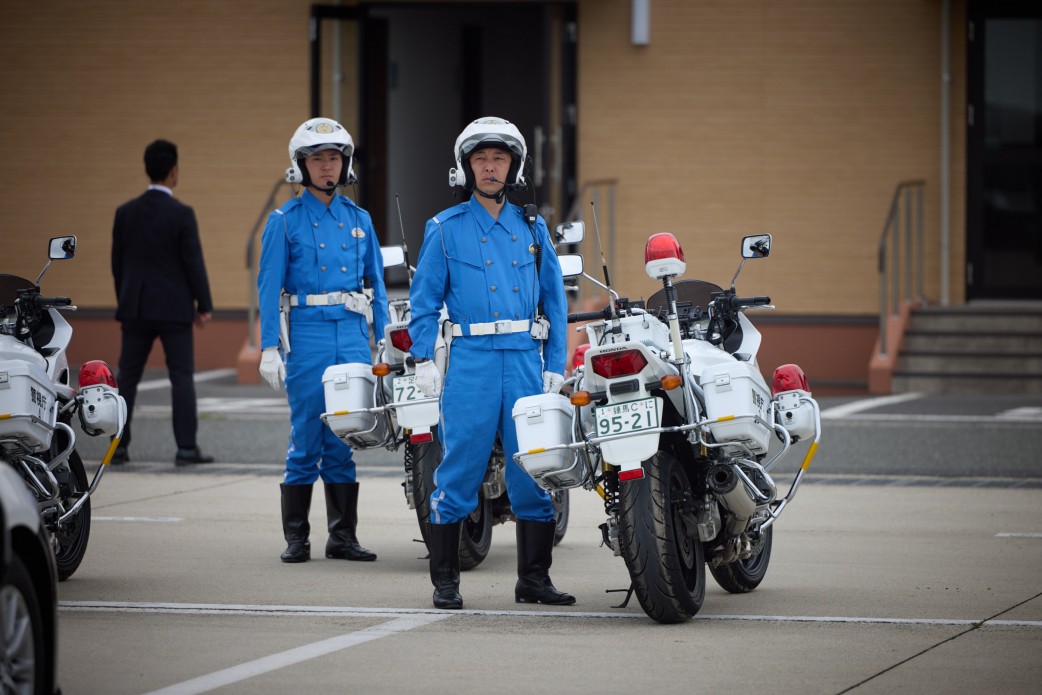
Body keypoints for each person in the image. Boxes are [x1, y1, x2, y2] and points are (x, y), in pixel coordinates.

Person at [408, 117, 572, 609]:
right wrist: (422, 357)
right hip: (471, 363)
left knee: (532, 469)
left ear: (513, 167)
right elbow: (423, 302)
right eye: (480, 159)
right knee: (459, 469)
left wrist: (555, 364)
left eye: (499, 158)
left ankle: (534, 580)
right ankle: (446, 582)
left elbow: (554, 303)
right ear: (466, 167)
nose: (489, 167)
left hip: (523, 361)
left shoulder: (533, 228)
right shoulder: (444, 228)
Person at [257, 117, 389, 564]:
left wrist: (385, 339)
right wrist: (269, 347)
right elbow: (268, 286)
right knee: (307, 437)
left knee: (344, 437)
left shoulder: (359, 219)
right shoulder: (284, 221)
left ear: (345, 164)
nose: (327, 166)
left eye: (334, 158)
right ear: (301, 165)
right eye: (317, 159)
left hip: (351, 335)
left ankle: (342, 537)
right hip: (308, 334)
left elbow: (377, 285)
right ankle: (297, 538)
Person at [111, 139, 214, 466]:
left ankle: (118, 448)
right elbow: (193, 263)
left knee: (127, 378)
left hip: (136, 306)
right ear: (174, 170)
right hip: (174, 308)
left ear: (147, 169)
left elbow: (117, 264)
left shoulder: (125, 213)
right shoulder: (182, 214)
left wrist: (126, 299)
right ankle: (186, 449)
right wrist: (204, 305)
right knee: (181, 377)